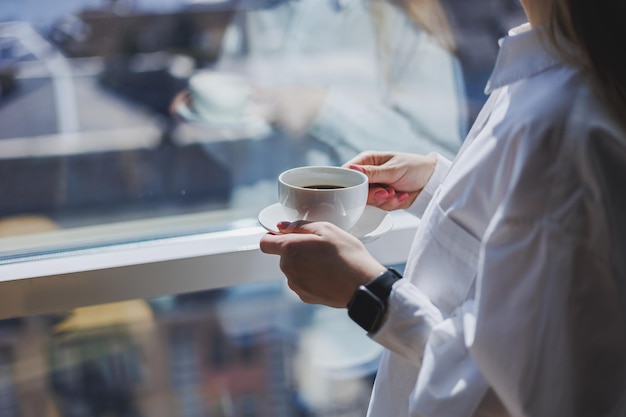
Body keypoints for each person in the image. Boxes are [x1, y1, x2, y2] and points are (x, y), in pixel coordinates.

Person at [259, 0, 626, 415]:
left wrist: (369, 294)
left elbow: (515, 396)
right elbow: (536, 235)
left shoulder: (560, 121)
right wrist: (442, 185)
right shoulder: (557, 71)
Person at [175, 0, 467, 185]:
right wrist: (204, 117)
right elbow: (237, 147)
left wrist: (325, 111)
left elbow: (442, 167)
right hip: (253, 246)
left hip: (359, 259)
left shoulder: (401, 15)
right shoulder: (259, 9)